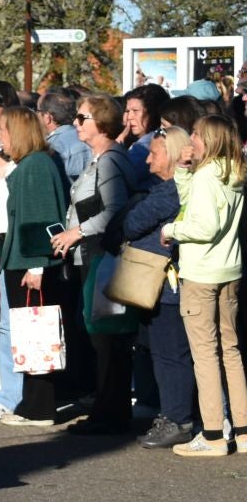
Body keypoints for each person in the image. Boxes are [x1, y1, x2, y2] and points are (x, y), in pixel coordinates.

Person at [49, 94, 140, 434]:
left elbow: (115, 210)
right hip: (93, 254)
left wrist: (77, 232)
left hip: (103, 254)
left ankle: (110, 413)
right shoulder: (100, 158)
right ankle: (107, 408)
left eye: (82, 117)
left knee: (107, 336)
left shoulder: (110, 161)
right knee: (101, 335)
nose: (76, 123)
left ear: (100, 124)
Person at [160, 115, 246, 456]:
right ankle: (242, 431)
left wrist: (171, 231)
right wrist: (183, 169)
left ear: (208, 139)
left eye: (195, 134)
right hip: (229, 270)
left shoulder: (208, 175)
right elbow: (192, 202)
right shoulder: (231, 171)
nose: (190, 140)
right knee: (231, 350)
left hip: (201, 273)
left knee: (205, 355)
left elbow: (202, 224)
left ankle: (212, 435)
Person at [0, 106, 69, 427]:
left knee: (35, 333)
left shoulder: (36, 165)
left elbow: (43, 218)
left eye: (3, 130)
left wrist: (38, 267)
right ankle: (33, 402)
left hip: (30, 263)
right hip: (23, 260)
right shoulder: (32, 163)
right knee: (29, 333)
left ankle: (39, 407)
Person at [122, 126, 193, 448]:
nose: (148, 158)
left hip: (167, 284)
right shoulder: (167, 188)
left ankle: (177, 418)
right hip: (164, 283)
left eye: (155, 152)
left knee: (170, 355)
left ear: (174, 155)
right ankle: (173, 413)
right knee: (166, 353)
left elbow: (133, 223)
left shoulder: (170, 190)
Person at [38, 90, 91, 182]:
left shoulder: (52, 148)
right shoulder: (89, 138)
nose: (36, 115)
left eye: (38, 111)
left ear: (47, 117)